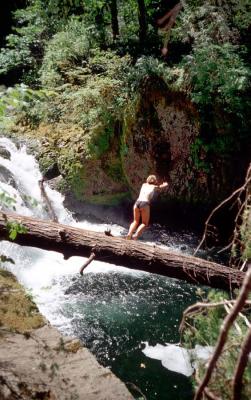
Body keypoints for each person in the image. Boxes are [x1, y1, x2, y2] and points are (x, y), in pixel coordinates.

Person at [126, 175, 168, 240]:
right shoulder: (154, 186)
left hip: (137, 203)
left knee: (135, 221)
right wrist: (165, 184)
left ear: (147, 180)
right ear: (155, 181)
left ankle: (129, 234)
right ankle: (135, 236)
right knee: (144, 223)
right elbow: (160, 187)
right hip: (145, 204)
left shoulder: (144, 185)